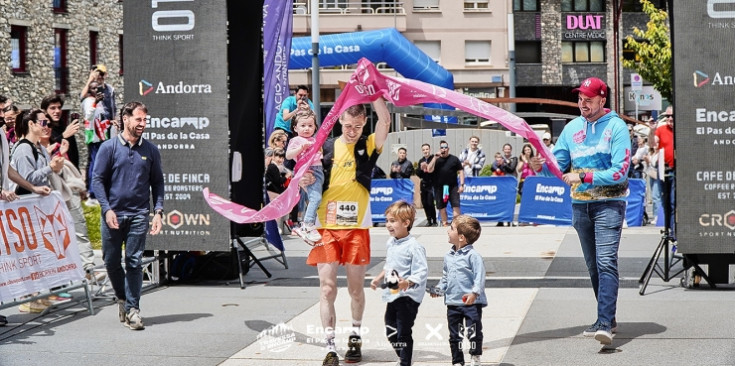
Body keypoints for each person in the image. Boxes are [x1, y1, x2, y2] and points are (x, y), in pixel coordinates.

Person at [530, 77, 629, 346]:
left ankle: (605, 323)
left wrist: (583, 177)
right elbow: (557, 165)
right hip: (580, 206)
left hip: (609, 204)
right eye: (579, 98)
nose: (582, 103)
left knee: (606, 261)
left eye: (588, 99)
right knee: (593, 266)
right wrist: (539, 163)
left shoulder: (617, 127)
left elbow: (620, 173)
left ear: (602, 100)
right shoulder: (572, 128)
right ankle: (608, 316)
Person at [305, 98, 390, 366]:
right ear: (339, 121)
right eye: (347, 125)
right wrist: (305, 179)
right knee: (327, 289)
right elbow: (305, 174)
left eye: (357, 125)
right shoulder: (326, 146)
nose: (351, 130)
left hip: (356, 229)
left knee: (355, 290)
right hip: (326, 228)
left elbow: (386, 121)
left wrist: (375, 93)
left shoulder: (368, 145)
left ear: (364, 123)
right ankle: (329, 346)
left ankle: (355, 335)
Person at [92, 101, 164, 331]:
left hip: (139, 214)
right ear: (126, 119)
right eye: (139, 119)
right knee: (111, 261)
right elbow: (97, 181)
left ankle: (133, 309)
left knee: (134, 261)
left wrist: (158, 212)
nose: (143, 124)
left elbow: (158, 183)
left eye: (145, 120)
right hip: (113, 215)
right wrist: (107, 209)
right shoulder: (108, 148)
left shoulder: (151, 150)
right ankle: (122, 299)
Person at [0, 98, 51, 324]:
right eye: (1, 110)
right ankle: (25, 297)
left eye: (4, 110)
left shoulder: (2, 135)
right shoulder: (23, 148)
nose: (4, 114)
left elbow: (7, 169)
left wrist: (33, 188)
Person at [370, 201, 427, 366]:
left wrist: (407, 282)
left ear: (406, 223)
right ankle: (402, 356)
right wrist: (379, 277)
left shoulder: (414, 247)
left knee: (403, 332)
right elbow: (390, 265)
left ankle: (405, 362)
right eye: (387, 221)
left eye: (393, 221)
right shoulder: (391, 242)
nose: (388, 225)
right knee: (390, 330)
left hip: (408, 297)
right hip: (393, 293)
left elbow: (421, 271)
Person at [39, 118, 96, 277]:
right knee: (53, 238)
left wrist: (79, 186)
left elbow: (69, 169)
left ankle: (88, 268)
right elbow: (37, 172)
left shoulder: (59, 146)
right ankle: (57, 281)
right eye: (43, 124)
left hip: (68, 193)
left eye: (49, 125)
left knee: (79, 228)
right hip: (48, 199)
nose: (47, 128)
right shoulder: (32, 149)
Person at [430, 214, 486, 366]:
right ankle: (457, 361)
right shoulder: (448, 256)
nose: (448, 231)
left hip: (471, 304)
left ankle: (475, 356)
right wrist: (439, 289)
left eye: (452, 228)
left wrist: (474, 293)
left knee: (473, 332)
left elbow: (479, 277)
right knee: (455, 335)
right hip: (453, 303)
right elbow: (445, 278)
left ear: (461, 237)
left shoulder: (473, 256)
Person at [286, 109, 324, 244]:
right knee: (315, 198)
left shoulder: (315, 140)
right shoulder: (296, 140)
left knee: (316, 199)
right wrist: (301, 148)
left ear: (315, 127)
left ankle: (309, 224)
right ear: (295, 128)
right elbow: (288, 155)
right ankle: (307, 225)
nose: (307, 128)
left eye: (310, 125)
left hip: (318, 170)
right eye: (303, 125)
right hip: (307, 170)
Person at [81, 80, 112, 206]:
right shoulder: (89, 101)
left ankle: (100, 190)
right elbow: (88, 116)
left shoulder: (99, 101)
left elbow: (101, 118)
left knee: (101, 163)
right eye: (93, 88)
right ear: (89, 90)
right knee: (94, 164)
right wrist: (95, 103)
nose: (96, 90)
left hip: (101, 135)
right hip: (93, 137)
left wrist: (110, 123)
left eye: (97, 88)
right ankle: (93, 193)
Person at [426, 140, 464, 227]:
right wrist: (435, 158)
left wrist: (461, 184)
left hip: (452, 186)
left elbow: (461, 171)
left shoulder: (454, 159)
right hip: (439, 187)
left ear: (448, 148)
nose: (444, 149)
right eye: (442, 147)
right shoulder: (436, 159)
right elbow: (429, 169)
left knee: (456, 206)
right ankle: (445, 224)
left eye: (445, 147)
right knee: (442, 208)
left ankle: (455, 224)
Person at [42, 95, 81, 170]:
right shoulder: (43, 126)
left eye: (59, 108)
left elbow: (74, 153)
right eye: (53, 108)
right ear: (45, 111)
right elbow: (45, 148)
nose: (57, 111)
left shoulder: (63, 126)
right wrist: (64, 135)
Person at [653, 105, 675, 232]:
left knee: (673, 202)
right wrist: (651, 130)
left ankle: (673, 231)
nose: (670, 118)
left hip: (677, 171)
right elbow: (652, 143)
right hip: (663, 170)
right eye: (667, 116)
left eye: (672, 116)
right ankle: (668, 229)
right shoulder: (661, 129)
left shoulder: (682, 130)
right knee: (665, 202)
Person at [492, 144, 517, 226]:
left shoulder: (514, 158)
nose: (507, 151)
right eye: (505, 149)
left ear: (511, 150)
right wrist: (498, 166)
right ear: (503, 150)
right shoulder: (500, 159)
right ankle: (501, 220)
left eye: (508, 149)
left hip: (510, 181)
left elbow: (512, 169)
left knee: (511, 200)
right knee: (501, 200)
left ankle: (511, 220)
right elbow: (492, 167)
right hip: (502, 181)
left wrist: (505, 164)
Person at [416, 143, 437, 227]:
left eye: (427, 149)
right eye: (424, 150)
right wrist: (421, 169)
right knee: (424, 203)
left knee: (430, 202)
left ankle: (434, 220)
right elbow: (418, 174)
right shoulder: (421, 160)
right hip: (423, 183)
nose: (425, 151)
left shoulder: (433, 158)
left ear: (429, 149)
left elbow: (435, 170)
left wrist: (428, 166)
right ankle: (429, 220)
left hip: (431, 183)